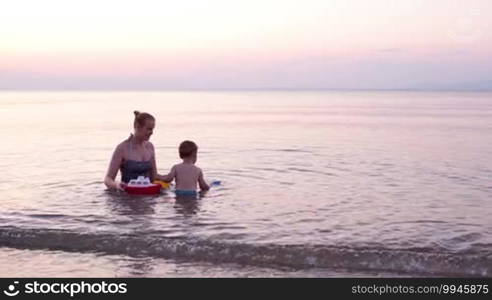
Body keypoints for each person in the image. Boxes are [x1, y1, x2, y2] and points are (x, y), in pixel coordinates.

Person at [104, 111, 161, 191]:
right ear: (137, 126)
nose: (151, 132)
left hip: (148, 199)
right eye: (149, 129)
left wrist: (173, 176)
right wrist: (116, 185)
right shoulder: (122, 148)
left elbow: (154, 177)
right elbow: (108, 179)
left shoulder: (150, 147)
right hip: (128, 198)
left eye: (152, 129)